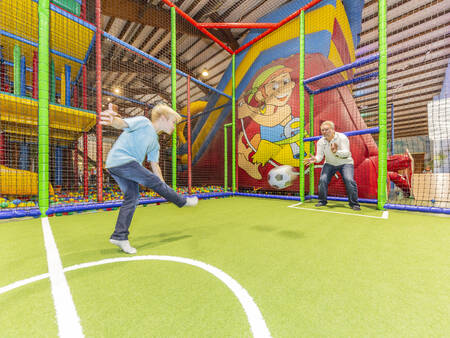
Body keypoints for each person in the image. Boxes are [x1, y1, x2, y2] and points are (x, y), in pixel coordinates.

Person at [100, 103, 198, 254]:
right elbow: (121, 124)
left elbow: (155, 166)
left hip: (117, 166)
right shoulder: (143, 122)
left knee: (132, 197)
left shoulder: (155, 143)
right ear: (164, 118)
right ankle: (182, 201)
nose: (174, 127)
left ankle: (120, 236)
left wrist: (165, 188)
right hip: (123, 160)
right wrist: (112, 119)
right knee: (151, 182)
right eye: (173, 122)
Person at [304, 120, 361, 211]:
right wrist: (315, 159)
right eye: (322, 130)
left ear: (333, 130)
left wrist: (336, 152)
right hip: (330, 163)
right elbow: (319, 156)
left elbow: (347, 153)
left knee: (349, 180)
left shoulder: (342, 137)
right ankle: (322, 201)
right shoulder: (320, 142)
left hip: (345, 163)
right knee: (323, 179)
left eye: (327, 129)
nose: (324, 132)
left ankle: (354, 204)